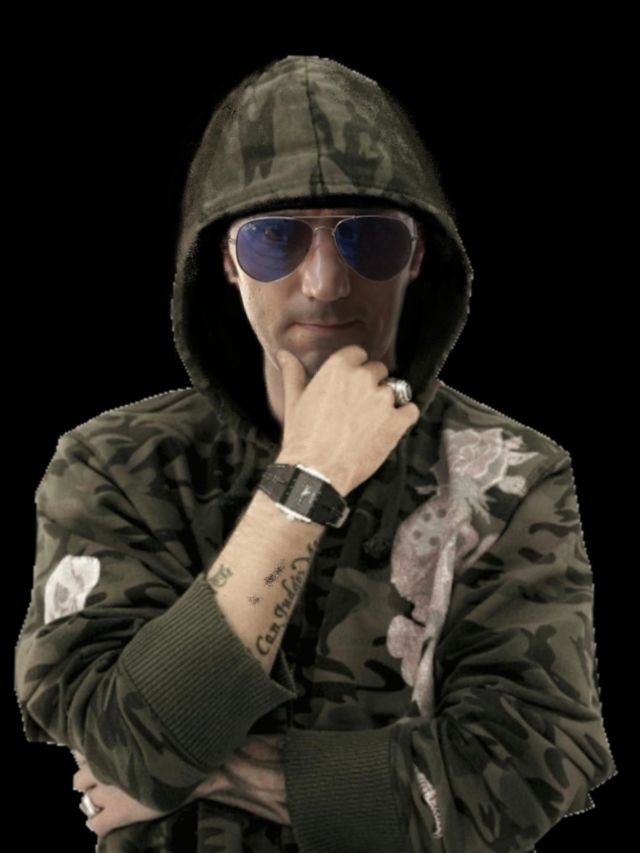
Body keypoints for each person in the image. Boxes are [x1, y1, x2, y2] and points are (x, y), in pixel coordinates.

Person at [14, 54, 617, 852]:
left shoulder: (512, 476)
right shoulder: (114, 465)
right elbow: (117, 734)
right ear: (226, 260)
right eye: (276, 238)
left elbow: (528, 771)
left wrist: (209, 772)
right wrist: (307, 480)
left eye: (370, 238)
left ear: (418, 256)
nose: (326, 281)